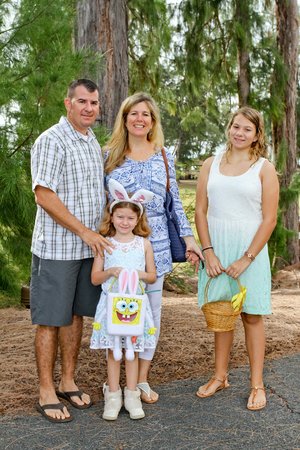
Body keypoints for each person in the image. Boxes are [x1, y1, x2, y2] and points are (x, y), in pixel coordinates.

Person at [104, 92, 203, 404]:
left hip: (155, 251)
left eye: (145, 114)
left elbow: (174, 205)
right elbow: (99, 204)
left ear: (152, 121)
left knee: (150, 317)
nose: (139, 119)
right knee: (116, 314)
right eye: (133, 113)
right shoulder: (108, 155)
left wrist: (190, 240)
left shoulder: (163, 156)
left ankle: (140, 380)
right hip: (118, 252)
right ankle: (113, 384)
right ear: (124, 119)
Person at [30, 79, 113, 423]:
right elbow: (43, 194)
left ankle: (67, 380)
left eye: (93, 103)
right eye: (82, 102)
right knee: (51, 319)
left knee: (76, 315)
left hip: (87, 250)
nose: (89, 108)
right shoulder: (52, 140)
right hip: (57, 249)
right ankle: (46, 390)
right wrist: (85, 232)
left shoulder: (92, 141)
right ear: (68, 103)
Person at [195, 106, 279, 411]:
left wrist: (247, 258)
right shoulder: (210, 164)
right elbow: (200, 211)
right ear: (228, 128)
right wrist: (208, 252)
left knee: (251, 315)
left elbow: (269, 219)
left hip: (250, 251)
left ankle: (257, 384)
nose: (239, 133)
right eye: (236, 126)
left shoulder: (264, 168)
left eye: (247, 129)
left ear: (256, 135)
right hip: (216, 249)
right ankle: (220, 375)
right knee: (221, 315)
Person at [90, 179, 157, 420]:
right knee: (113, 350)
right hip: (111, 306)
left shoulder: (144, 244)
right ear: (112, 216)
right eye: (120, 217)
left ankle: (132, 394)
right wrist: (111, 271)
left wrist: (138, 274)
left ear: (137, 220)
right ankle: (113, 395)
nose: (125, 222)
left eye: (130, 218)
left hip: (136, 306)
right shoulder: (105, 244)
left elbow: (152, 276)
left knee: (132, 351)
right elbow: (95, 278)